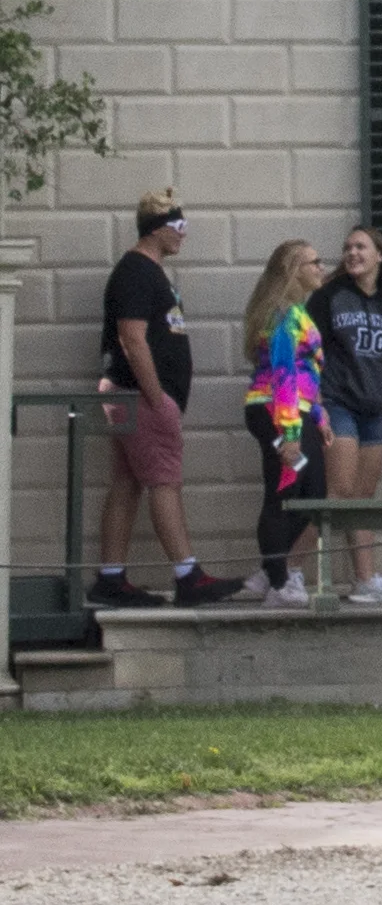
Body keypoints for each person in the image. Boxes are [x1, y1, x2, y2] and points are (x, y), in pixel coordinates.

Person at [90, 191, 219, 609]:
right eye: (180, 226)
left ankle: (111, 578)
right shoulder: (136, 272)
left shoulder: (150, 272)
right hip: (138, 395)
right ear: (159, 226)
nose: (184, 234)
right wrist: (157, 397)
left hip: (129, 394)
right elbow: (132, 338)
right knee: (165, 480)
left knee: (127, 483)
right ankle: (188, 575)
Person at [314, 224, 382, 603]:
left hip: (373, 410)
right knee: (339, 494)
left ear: (378, 255)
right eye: (347, 247)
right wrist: (315, 407)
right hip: (336, 402)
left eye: (360, 246)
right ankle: (296, 571)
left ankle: (365, 580)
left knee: (364, 495)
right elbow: (308, 352)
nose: (352, 252)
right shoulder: (330, 296)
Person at [233, 238, 332, 604]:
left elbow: (310, 374)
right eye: (314, 262)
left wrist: (318, 415)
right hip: (275, 412)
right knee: (284, 491)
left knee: (314, 492)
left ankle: (269, 568)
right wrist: (290, 434)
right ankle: (277, 581)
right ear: (293, 271)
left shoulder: (299, 312)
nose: (321, 268)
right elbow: (284, 375)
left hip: (297, 413)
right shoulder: (283, 315)